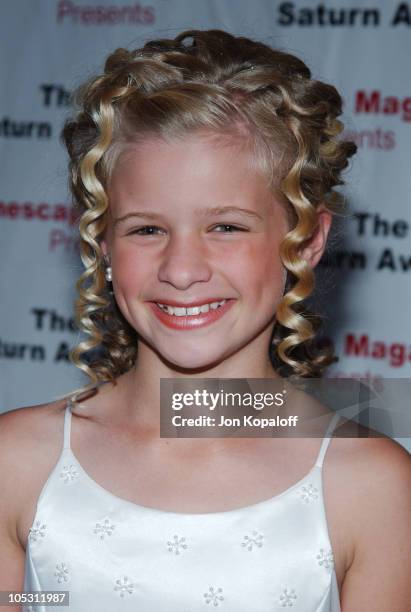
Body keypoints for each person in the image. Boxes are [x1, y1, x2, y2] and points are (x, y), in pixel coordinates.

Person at [0, 29, 410, 612]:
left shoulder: (368, 484)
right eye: (146, 229)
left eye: (226, 227)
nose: (183, 269)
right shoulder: (17, 460)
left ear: (307, 239)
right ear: (102, 246)